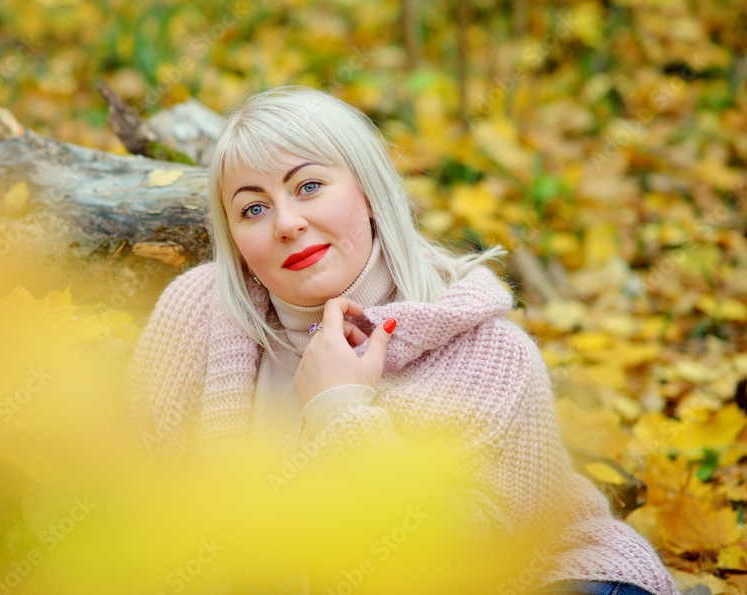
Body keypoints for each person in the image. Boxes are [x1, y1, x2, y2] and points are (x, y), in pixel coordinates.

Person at [123, 86, 680, 595]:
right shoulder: (197, 313)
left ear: (367, 193)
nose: (286, 222)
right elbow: (134, 498)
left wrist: (339, 410)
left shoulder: (490, 355)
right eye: (253, 208)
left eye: (309, 186)